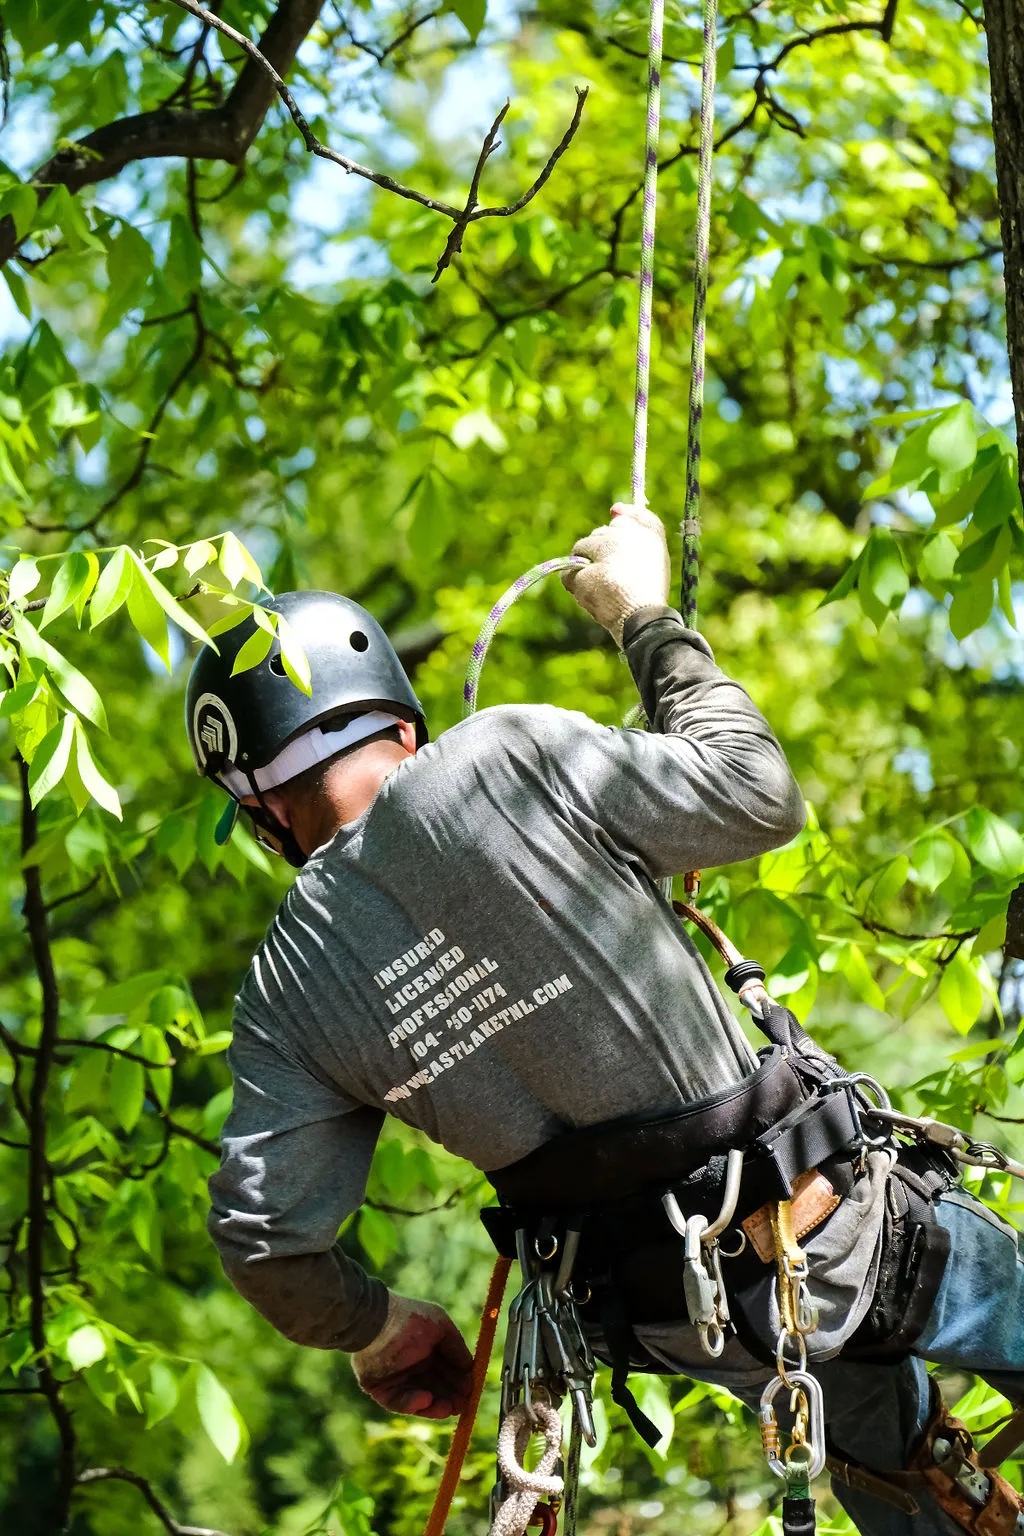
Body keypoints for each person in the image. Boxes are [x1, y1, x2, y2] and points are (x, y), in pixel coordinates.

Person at [185, 505, 1024, 1536]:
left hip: (680, 1320)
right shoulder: (496, 759)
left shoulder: (285, 989)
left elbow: (265, 1242)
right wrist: (644, 616)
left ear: (264, 809)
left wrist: (380, 1327)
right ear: (399, 723)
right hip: (828, 1225)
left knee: (899, 1474)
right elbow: (756, 797)